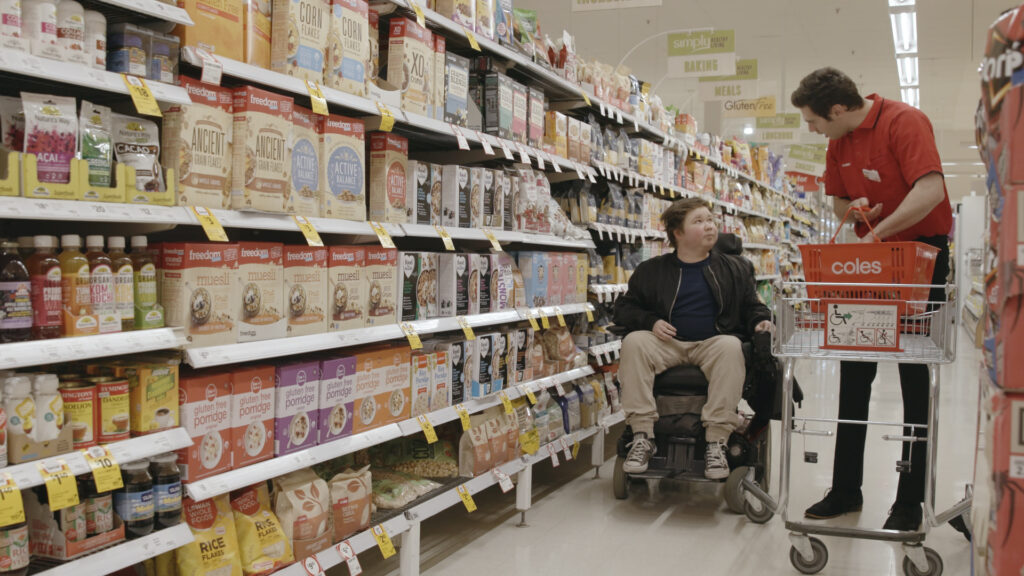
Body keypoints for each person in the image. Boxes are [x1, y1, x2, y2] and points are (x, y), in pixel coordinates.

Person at [790, 67, 953, 532]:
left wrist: (878, 232)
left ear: (837, 109)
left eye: (813, 120)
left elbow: (931, 189)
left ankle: (909, 499)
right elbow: (839, 202)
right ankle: (845, 488)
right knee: (853, 370)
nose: (811, 129)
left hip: (920, 260)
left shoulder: (904, 121)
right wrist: (856, 210)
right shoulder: (838, 142)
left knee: (915, 379)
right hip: (868, 264)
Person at [613, 197, 773, 480]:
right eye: (698, 221)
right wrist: (650, 322)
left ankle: (716, 441)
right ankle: (642, 436)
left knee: (730, 346)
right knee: (634, 342)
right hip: (666, 344)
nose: (710, 226)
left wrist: (761, 320)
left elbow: (752, 305)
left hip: (712, 343)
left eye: (710, 219)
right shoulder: (651, 271)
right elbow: (625, 308)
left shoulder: (736, 269)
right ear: (678, 233)